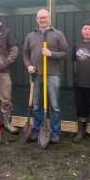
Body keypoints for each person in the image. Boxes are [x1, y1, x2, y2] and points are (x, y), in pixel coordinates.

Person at [23, 9, 68, 144]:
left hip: (52, 75)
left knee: (54, 106)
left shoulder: (57, 34)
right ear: (36, 19)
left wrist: (51, 54)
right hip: (36, 75)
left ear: (50, 18)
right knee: (36, 105)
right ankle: (37, 131)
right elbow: (25, 54)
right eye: (40, 18)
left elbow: (65, 52)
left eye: (44, 17)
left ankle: (55, 133)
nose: (42, 20)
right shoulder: (31, 36)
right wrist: (29, 66)